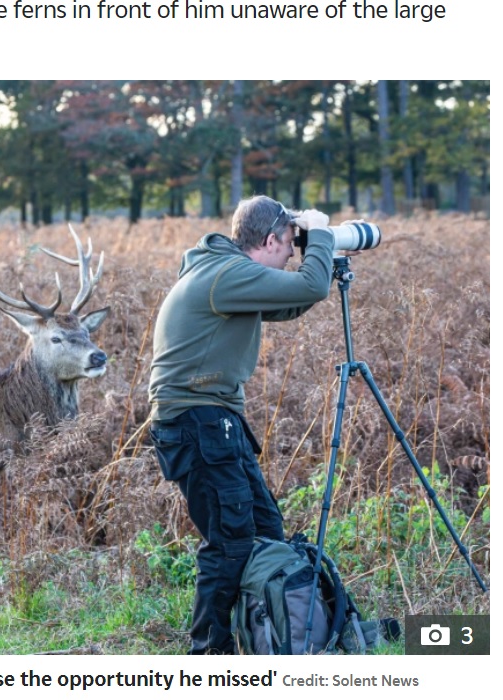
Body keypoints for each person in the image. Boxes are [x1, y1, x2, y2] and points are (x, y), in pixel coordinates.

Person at [148, 195, 335, 654]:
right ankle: (209, 655)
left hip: (212, 421)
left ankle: (264, 633)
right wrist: (323, 237)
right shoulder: (225, 274)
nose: (293, 253)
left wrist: (321, 256)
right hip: (198, 422)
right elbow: (310, 287)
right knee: (230, 542)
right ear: (270, 239)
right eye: (291, 242)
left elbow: (292, 303)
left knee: (265, 530)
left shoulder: (224, 271)